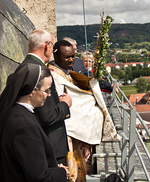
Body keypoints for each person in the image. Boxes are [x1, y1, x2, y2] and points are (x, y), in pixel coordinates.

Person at [48, 40, 120, 182]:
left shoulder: (64, 71)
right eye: (67, 57)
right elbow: (70, 97)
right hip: (67, 133)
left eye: (73, 57)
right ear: (56, 57)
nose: (71, 60)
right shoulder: (54, 74)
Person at [0, 64, 69, 181]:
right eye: (46, 90)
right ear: (32, 90)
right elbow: (40, 177)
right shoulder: (24, 125)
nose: (49, 95)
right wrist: (61, 172)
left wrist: (53, 168)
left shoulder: (16, 113)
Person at [14, 29, 72, 165]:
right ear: (47, 45)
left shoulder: (25, 66)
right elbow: (47, 116)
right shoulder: (39, 71)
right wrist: (65, 104)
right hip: (51, 146)